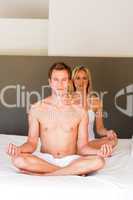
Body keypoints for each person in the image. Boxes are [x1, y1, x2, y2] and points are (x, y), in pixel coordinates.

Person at [6, 63, 113, 176]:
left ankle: (45, 174)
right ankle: (69, 171)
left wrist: (98, 152)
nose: (60, 84)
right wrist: (18, 149)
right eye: (56, 79)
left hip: (70, 159)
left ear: (69, 82)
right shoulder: (37, 108)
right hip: (45, 159)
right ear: (50, 82)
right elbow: (31, 143)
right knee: (17, 160)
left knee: (99, 161)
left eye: (64, 80)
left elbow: (82, 147)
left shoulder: (80, 111)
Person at [71, 65, 118, 149]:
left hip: (90, 141)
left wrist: (108, 132)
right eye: (77, 78)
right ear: (73, 81)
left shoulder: (96, 101)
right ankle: (81, 149)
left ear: (88, 80)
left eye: (84, 78)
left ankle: (84, 149)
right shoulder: (68, 100)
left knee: (113, 141)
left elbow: (100, 129)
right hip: (73, 142)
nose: (81, 81)